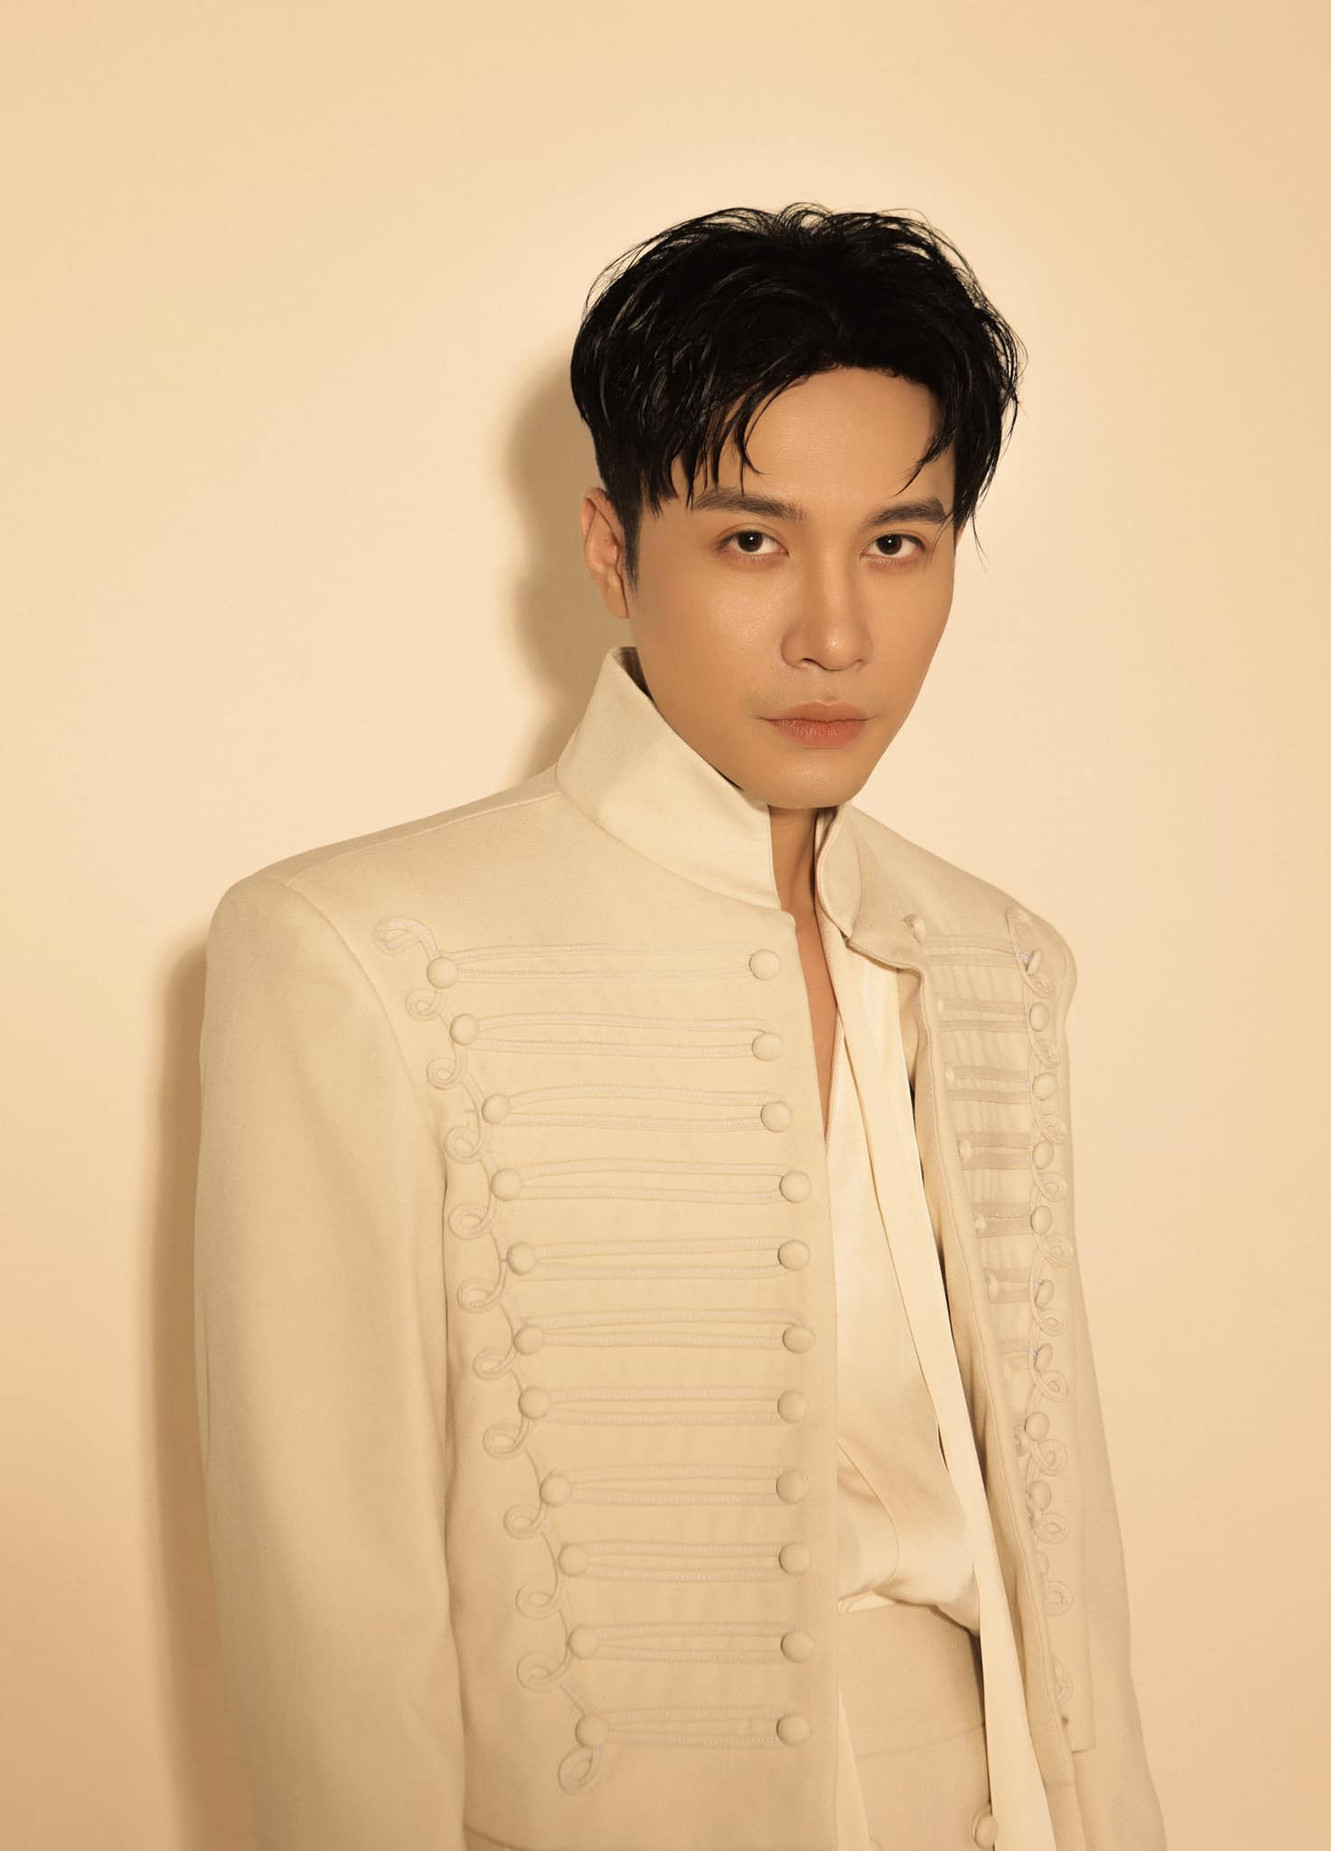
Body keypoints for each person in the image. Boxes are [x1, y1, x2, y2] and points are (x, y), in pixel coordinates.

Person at [193, 203, 1166, 1851]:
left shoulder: (994, 963)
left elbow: (1062, 1555)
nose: (834, 634)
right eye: (749, 542)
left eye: (897, 544)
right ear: (609, 547)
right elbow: (331, 1602)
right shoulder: (356, 950)